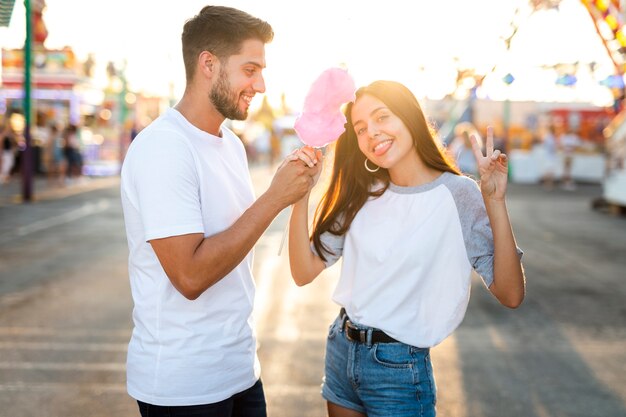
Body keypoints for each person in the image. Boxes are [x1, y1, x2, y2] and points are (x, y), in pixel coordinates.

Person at [120, 6, 317, 417]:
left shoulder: (230, 145)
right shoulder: (164, 148)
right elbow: (189, 277)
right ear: (208, 63)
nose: (260, 84)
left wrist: (293, 193)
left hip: (240, 372)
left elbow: (234, 241)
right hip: (184, 386)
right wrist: (273, 198)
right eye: (250, 69)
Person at [288, 80, 526, 417]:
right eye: (360, 128)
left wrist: (495, 202)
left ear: (409, 117)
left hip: (398, 368)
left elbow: (511, 294)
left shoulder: (458, 194)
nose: (372, 133)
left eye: (382, 117)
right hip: (341, 349)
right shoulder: (360, 193)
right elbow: (302, 271)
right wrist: (300, 197)